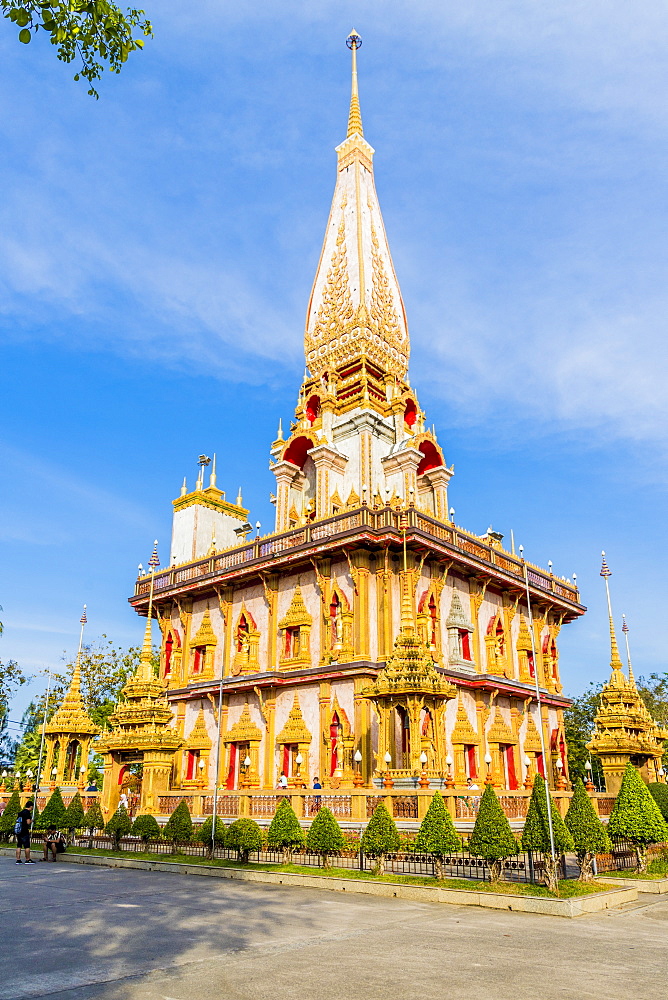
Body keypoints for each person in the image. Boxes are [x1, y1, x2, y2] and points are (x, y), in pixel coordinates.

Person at [15, 800, 35, 864]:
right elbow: (28, 822)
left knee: (19, 845)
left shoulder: (21, 812)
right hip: (24, 830)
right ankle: (28, 859)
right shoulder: (27, 813)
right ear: (31, 806)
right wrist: (32, 821)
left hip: (19, 831)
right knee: (27, 846)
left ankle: (18, 859)